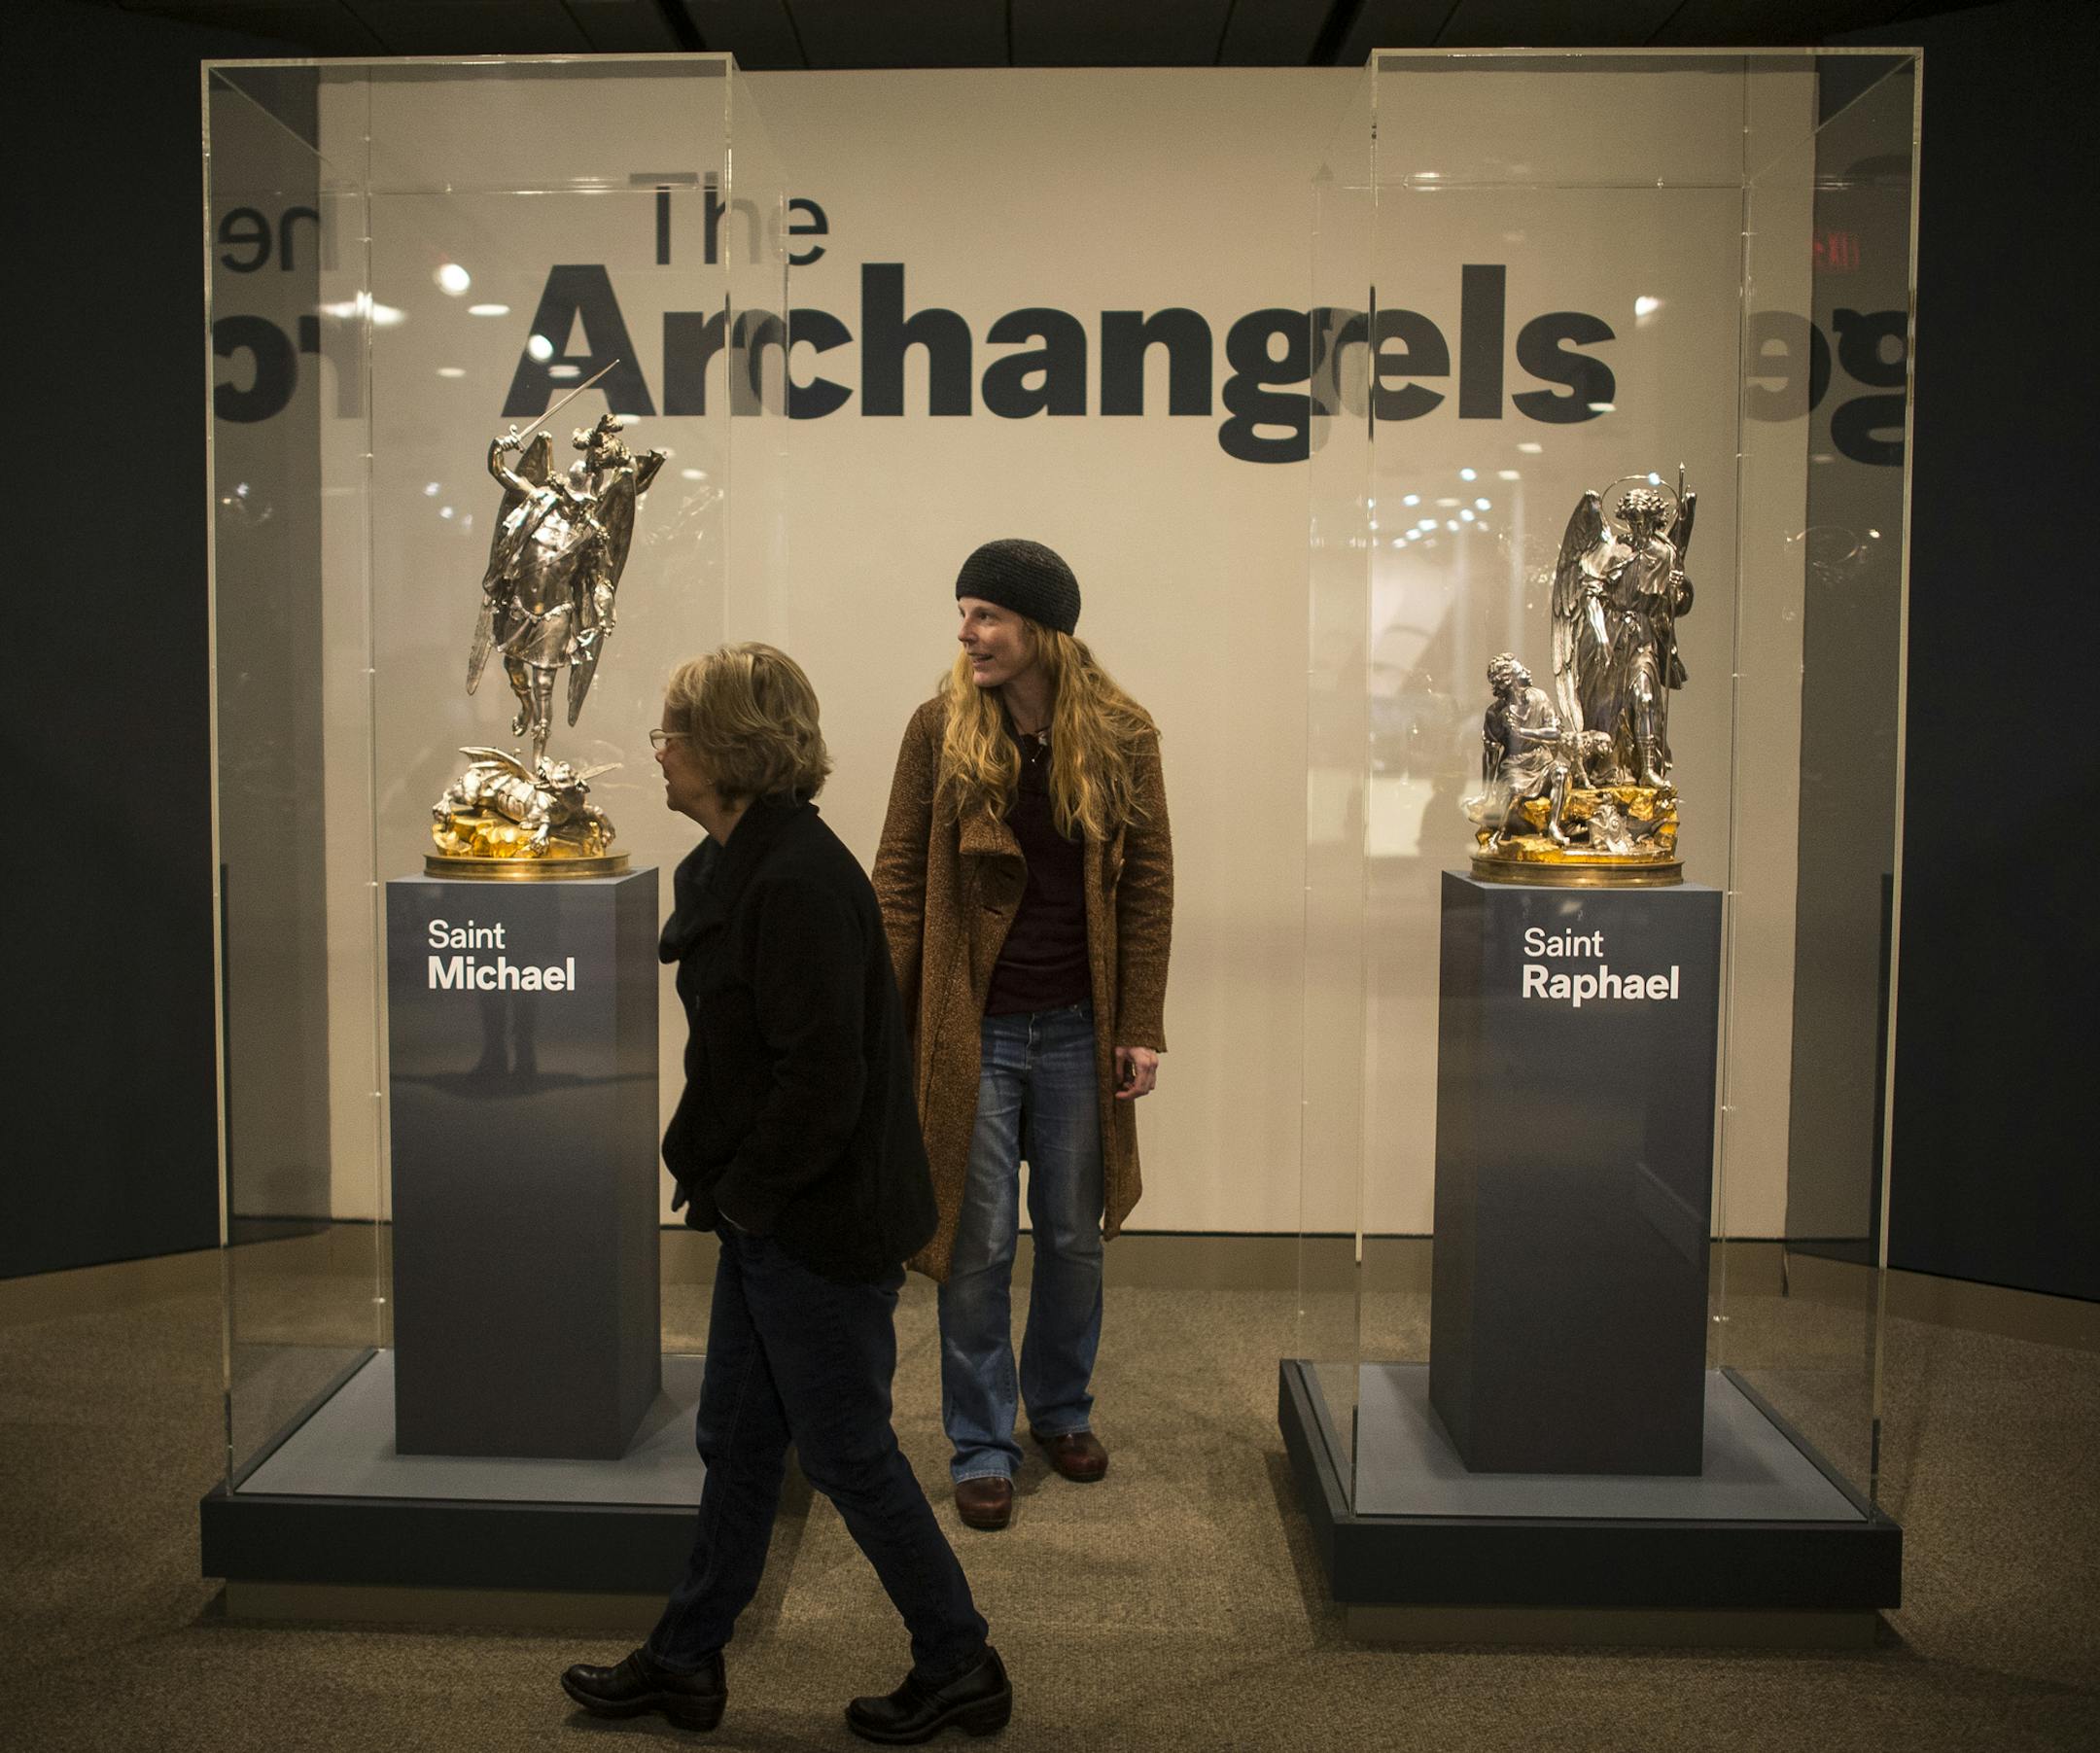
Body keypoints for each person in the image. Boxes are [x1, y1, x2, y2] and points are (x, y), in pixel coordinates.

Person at [561, 644, 1010, 1743]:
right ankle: (686, 1660)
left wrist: (750, 1199)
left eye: (673, 730)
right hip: (776, 1215)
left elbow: (824, 1081)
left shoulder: (798, 880)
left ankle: (962, 1662)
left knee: (848, 1450)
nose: (659, 748)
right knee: (740, 1438)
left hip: (818, 1222)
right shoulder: (734, 865)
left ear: (728, 751)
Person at [874, 539, 1173, 1532]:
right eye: (962, 615)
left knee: (1076, 1243)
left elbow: (1147, 889)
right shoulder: (938, 731)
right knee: (975, 1243)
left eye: (986, 615)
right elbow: (900, 885)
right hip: (978, 1032)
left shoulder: (1123, 735)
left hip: (1082, 1032)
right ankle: (980, 1442)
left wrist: (1140, 1023)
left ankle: (1059, 1410)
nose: (967, 635)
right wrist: (882, 1015)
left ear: (1041, 628)